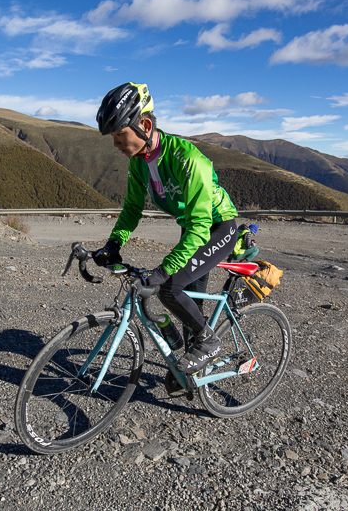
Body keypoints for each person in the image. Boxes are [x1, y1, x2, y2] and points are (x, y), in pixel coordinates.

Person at [93, 82, 239, 374]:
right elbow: (132, 209)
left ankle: (210, 343)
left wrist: (163, 270)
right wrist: (113, 244)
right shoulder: (139, 162)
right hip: (194, 232)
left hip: (218, 228)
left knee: (170, 287)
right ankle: (194, 376)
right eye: (113, 137)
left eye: (120, 135)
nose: (116, 144)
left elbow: (199, 227)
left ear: (145, 125)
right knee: (187, 310)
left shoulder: (189, 160)